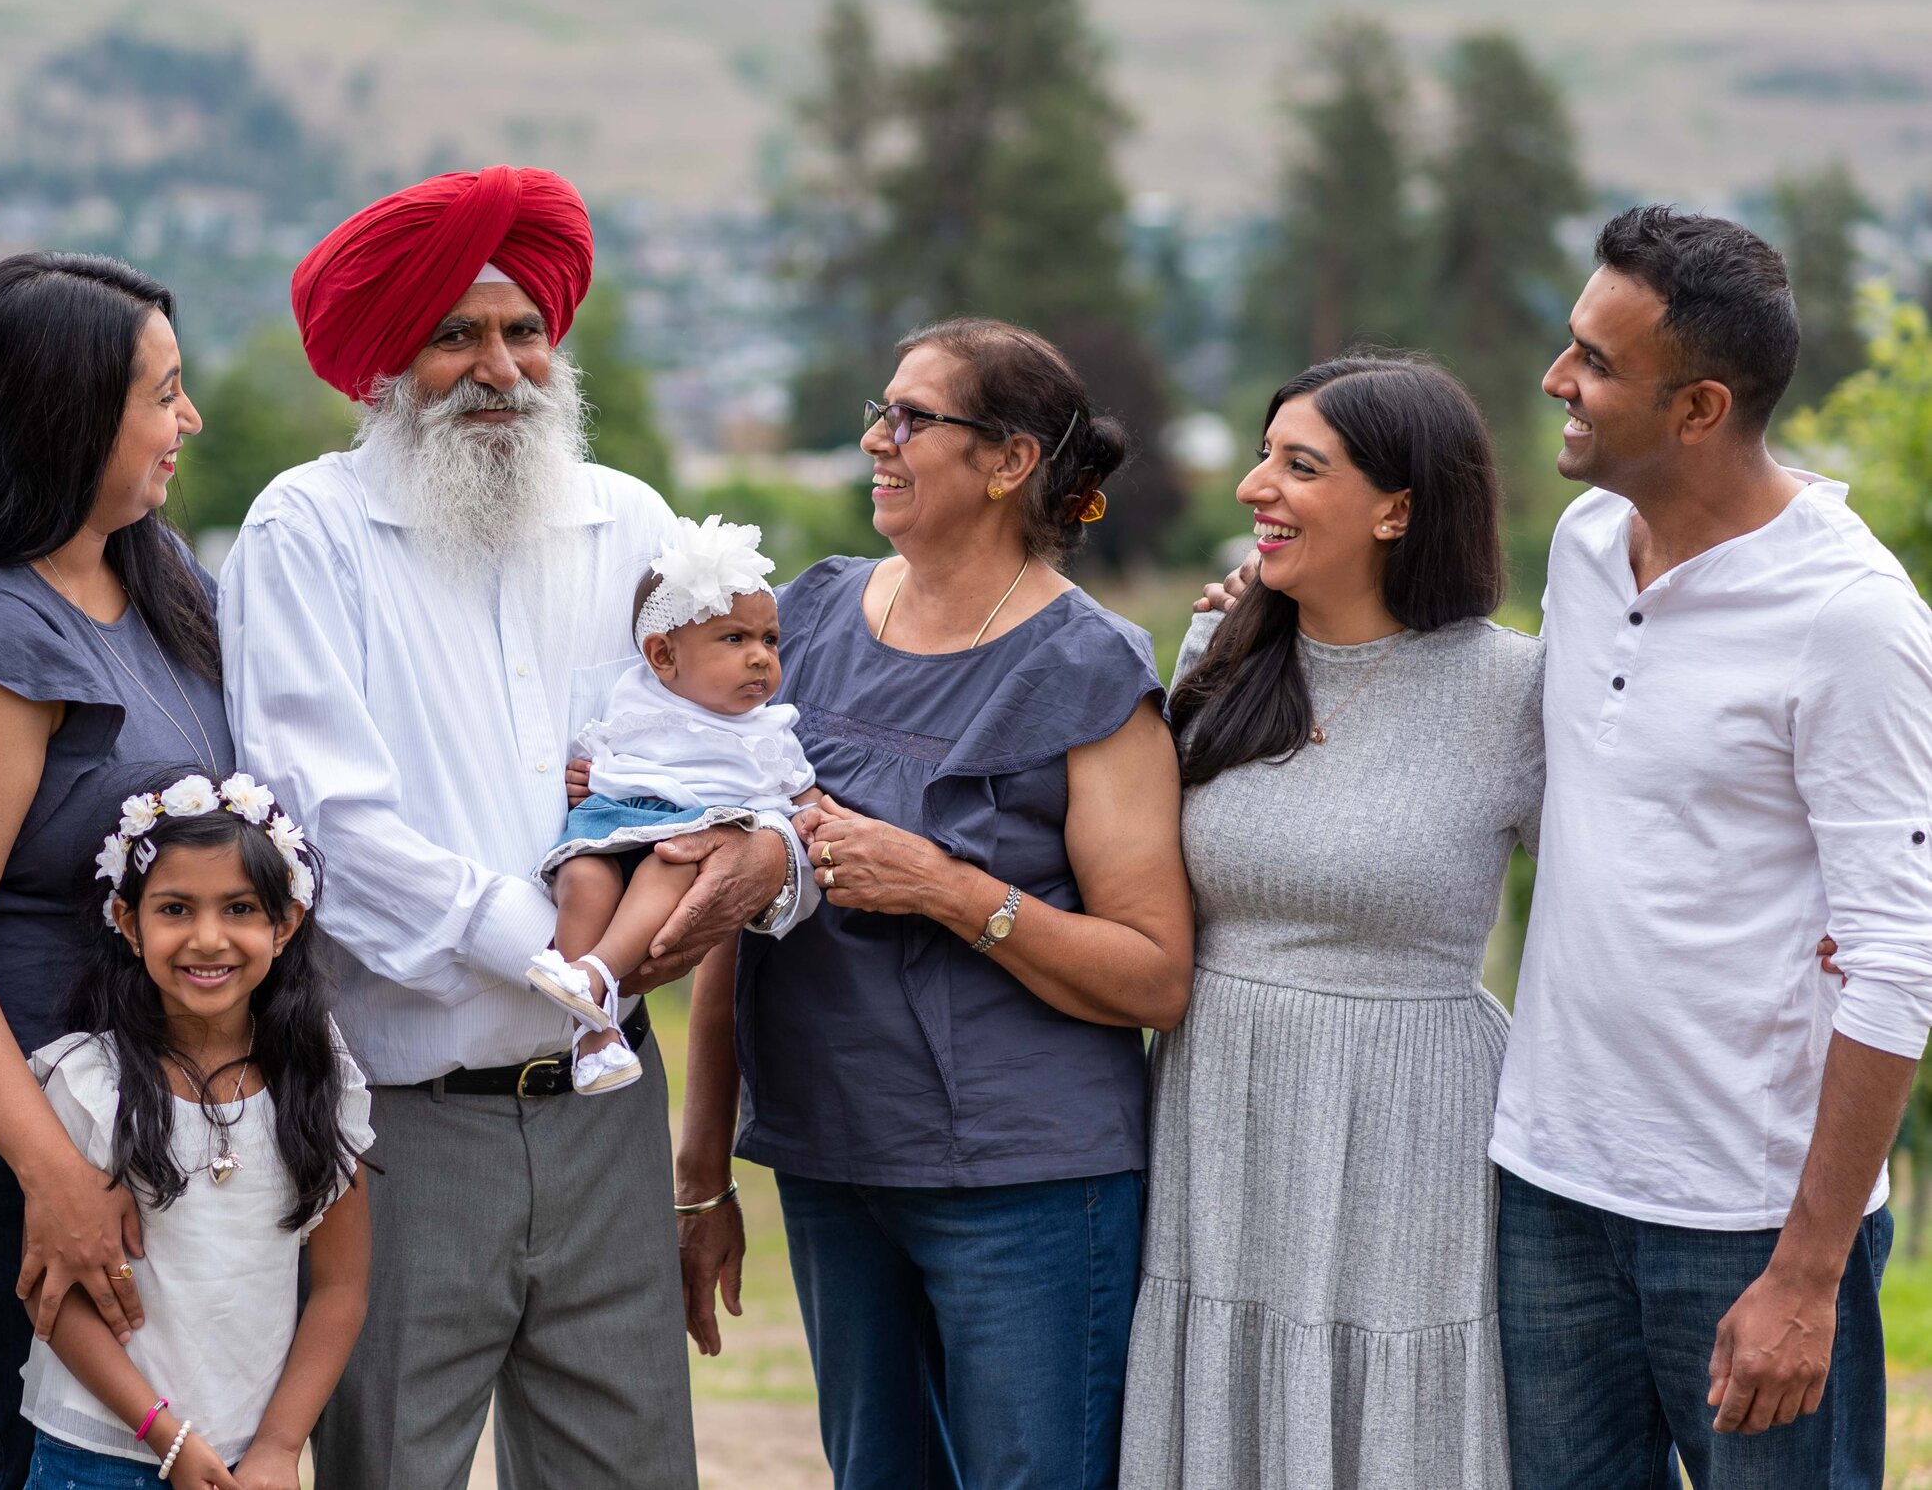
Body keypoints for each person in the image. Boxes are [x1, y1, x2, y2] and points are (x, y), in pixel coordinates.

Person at [218, 165, 813, 1489]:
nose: (501, 366)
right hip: (404, 1119)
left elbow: (723, 756)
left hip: (608, 1118)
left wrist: (757, 863)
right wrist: (565, 948)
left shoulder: (636, 529)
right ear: (386, 364)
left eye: (524, 331)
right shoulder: (308, 533)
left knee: (630, 1468)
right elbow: (325, 820)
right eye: (456, 335)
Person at [678, 317, 1194, 1490]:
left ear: (1009, 461)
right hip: (828, 1160)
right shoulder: (799, 621)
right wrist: (701, 1169)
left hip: (1024, 1186)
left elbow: (1155, 971)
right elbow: (734, 905)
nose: (877, 438)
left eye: (913, 419)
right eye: (882, 410)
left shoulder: (1091, 669)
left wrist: (949, 889)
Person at [1489, 208, 1932, 1487]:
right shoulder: (1581, 547)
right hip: (1551, 1186)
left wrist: (1807, 1272)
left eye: (1594, 363)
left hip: (1748, 1223)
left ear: (1699, 409)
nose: (1555, 381)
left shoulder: (1850, 621)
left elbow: (1900, 959)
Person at [1120, 356, 1541, 1490]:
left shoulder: (1515, 688)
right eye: (1262, 454)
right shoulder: (1218, 655)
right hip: (1218, 1104)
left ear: (1398, 507)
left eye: (1298, 465)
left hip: (1410, 1122)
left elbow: (1603, 910)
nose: (1255, 484)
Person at [0, 252, 222, 1489]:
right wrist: (57, 1177)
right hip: (25, 1139)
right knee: (55, 1460)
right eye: (164, 393)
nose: (188, 419)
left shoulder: (159, 577)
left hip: (157, 1117)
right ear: (67, 413)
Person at [19, 771, 371, 1490]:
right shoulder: (88, 1084)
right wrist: (168, 1439)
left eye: (239, 907)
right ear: (127, 920)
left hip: (252, 1459)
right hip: (99, 1456)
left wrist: (278, 1445)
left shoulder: (319, 1074)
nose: (207, 938)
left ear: (286, 922)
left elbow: (342, 1286)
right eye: (176, 908)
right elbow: (51, 1293)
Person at [529, 515, 818, 1094]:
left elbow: (803, 795)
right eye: (735, 639)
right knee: (583, 875)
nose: (761, 657)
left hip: (688, 840)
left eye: (770, 640)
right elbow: (596, 755)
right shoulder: (634, 695)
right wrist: (586, 777)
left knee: (671, 863)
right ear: (663, 656)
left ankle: (598, 971)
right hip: (617, 821)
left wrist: (816, 818)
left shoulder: (768, 730)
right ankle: (594, 1030)